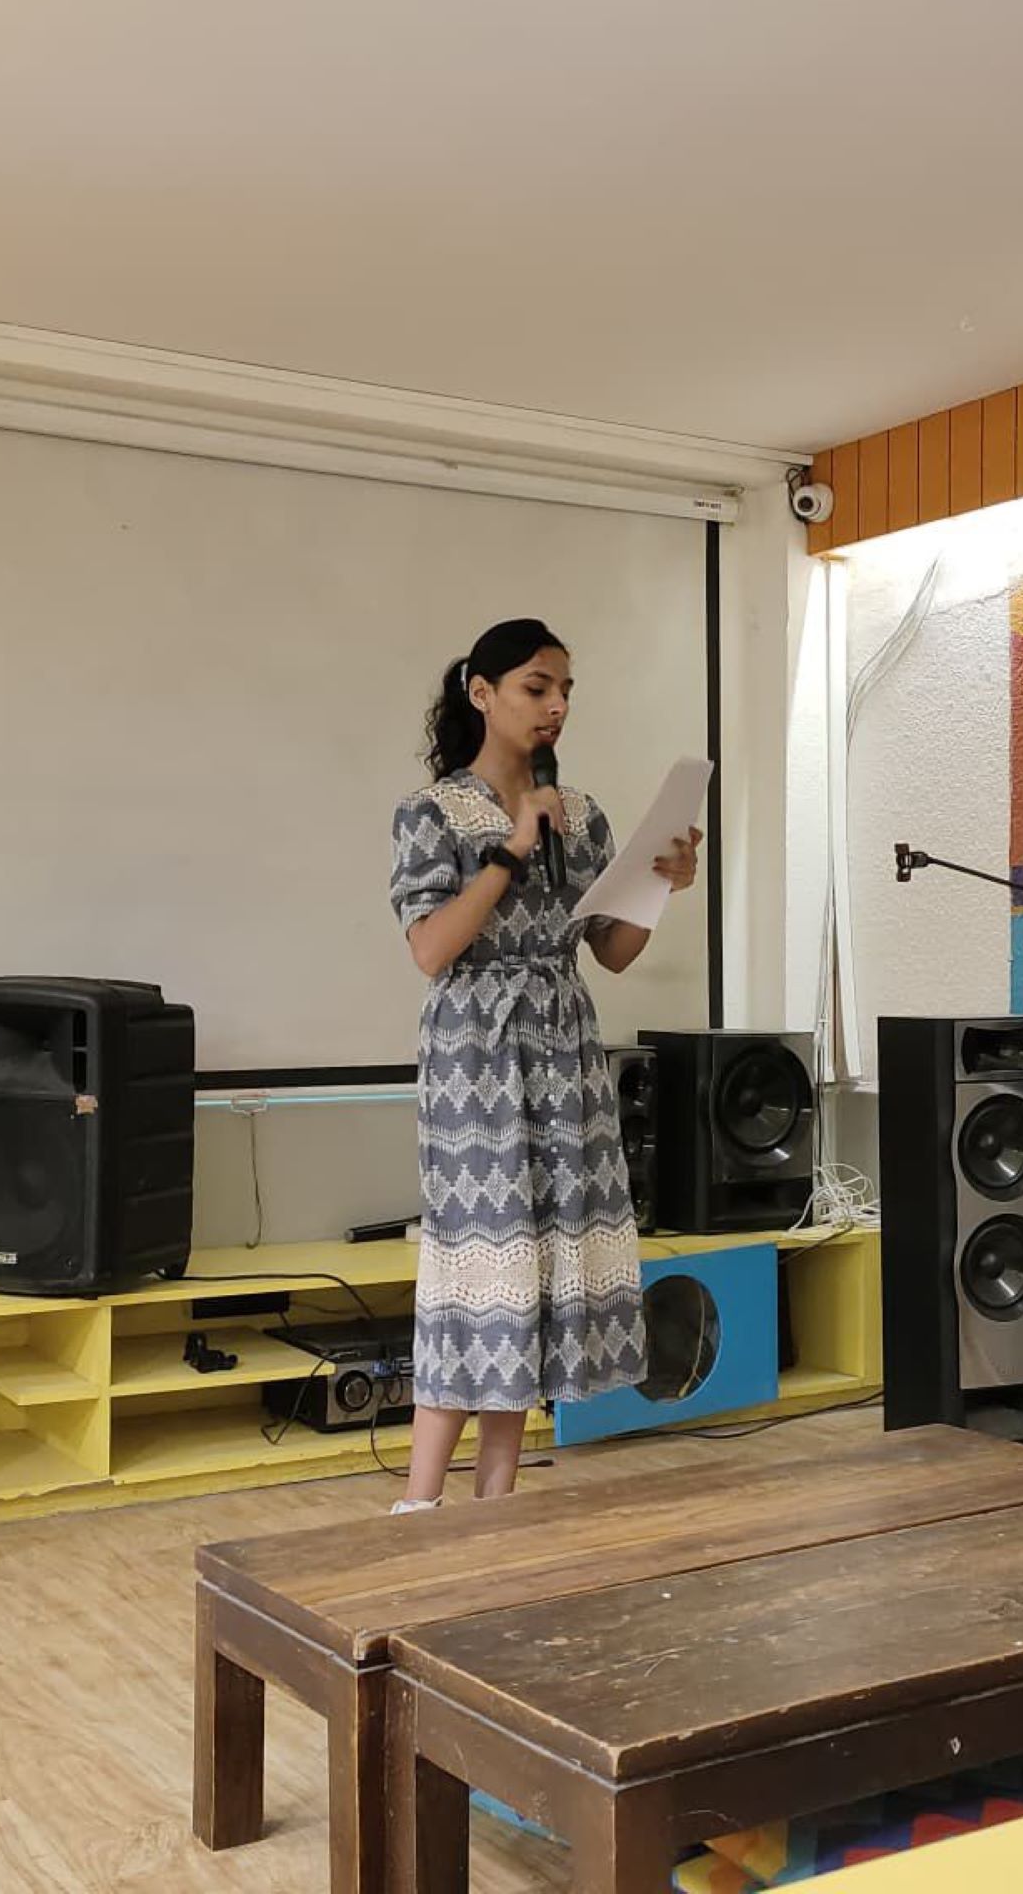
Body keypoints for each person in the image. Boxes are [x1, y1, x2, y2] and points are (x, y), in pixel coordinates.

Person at [388, 618, 701, 1510]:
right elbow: (431, 948)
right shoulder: (431, 812)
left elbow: (613, 951)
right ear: (482, 693)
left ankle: (495, 1506)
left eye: (565, 690)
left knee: (535, 1273)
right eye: (536, 687)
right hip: (476, 1059)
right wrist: (510, 849)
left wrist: (664, 885)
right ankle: (417, 1506)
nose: (556, 705)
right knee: (477, 1270)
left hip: (565, 1051)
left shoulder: (584, 814)